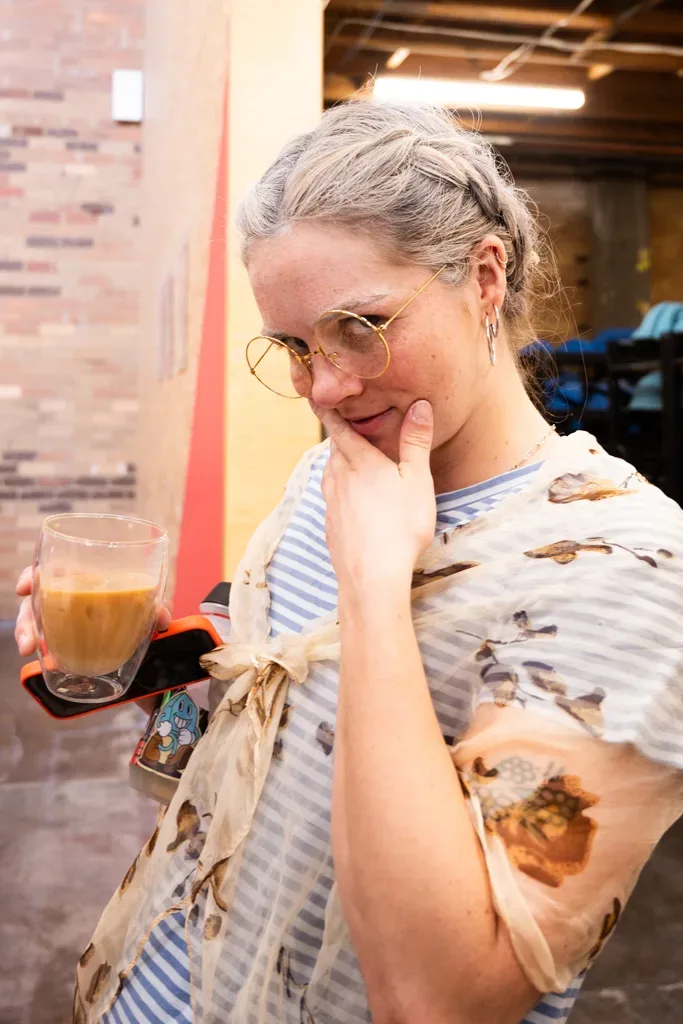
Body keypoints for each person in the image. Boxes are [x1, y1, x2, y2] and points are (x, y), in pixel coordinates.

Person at [15, 101, 683, 1024]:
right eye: (295, 347)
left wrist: (374, 583)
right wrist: (144, 661)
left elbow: (440, 998)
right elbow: (266, 729)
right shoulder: (332, 473)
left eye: (360, 325)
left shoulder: (626, 566)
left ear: (485, 277)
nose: (325, 388)